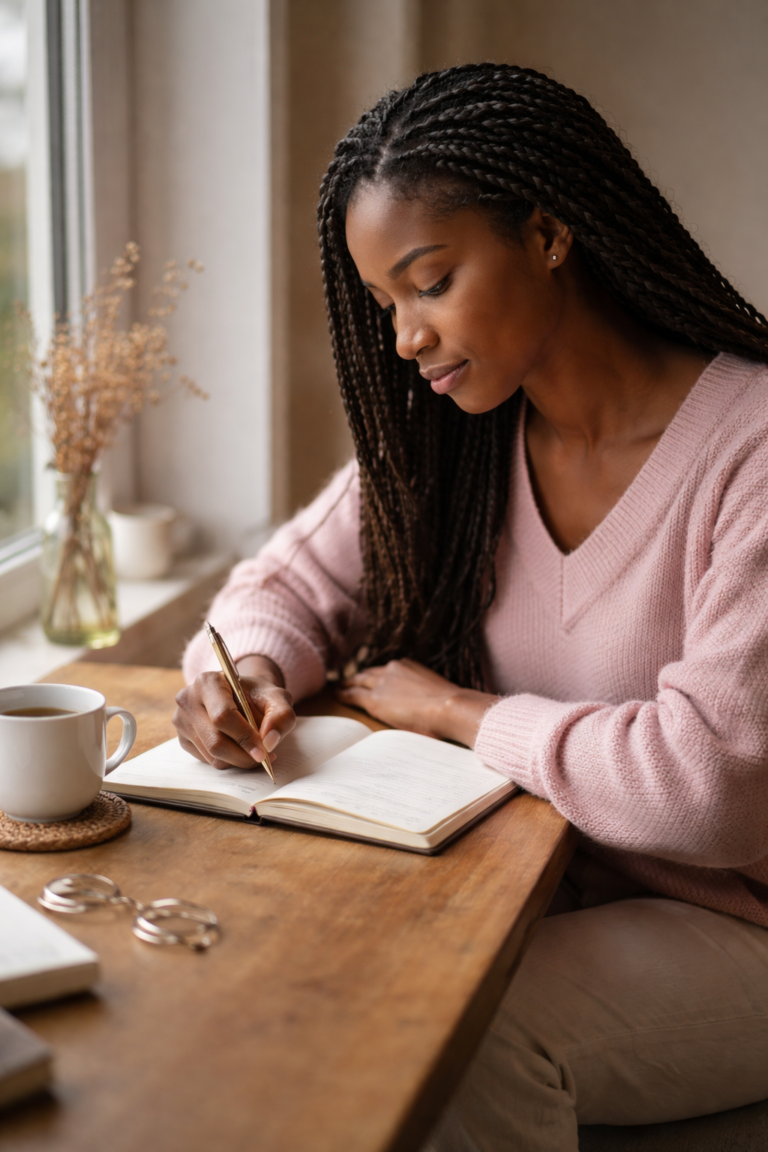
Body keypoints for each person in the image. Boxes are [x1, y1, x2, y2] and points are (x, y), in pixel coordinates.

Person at [175, 64, 768, 1150]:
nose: (404, 337)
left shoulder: (752, 450)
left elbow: (715, 785)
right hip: (546, 881)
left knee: (449, 1033)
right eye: (385, 304)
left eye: (430, 282)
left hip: (739, 924)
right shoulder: (463, 442)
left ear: (547, 234)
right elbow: (281, 588)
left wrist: (456, 714)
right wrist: (244, 672)